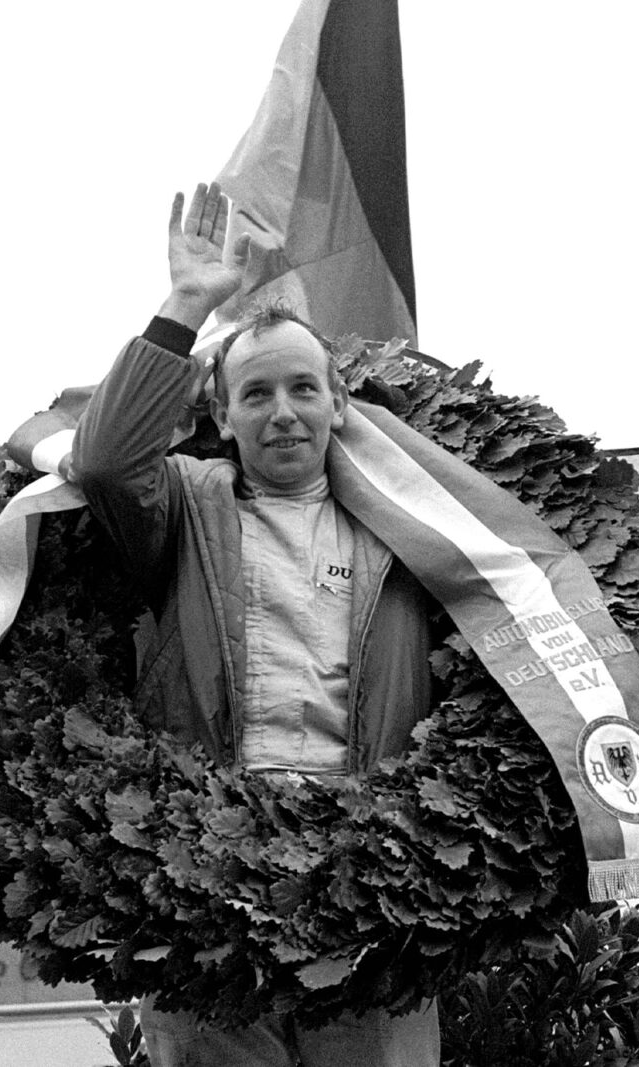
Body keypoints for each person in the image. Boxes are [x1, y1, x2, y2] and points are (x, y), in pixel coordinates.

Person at [70, 182, 438, 1066]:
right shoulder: (188, 507)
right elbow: (107, 459)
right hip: (208, 880)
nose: (283, 411)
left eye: (304, 388)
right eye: (257, 393)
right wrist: (187, 303)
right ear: (223, 418)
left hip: (370, 885)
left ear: (338, 405)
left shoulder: (416, 520)